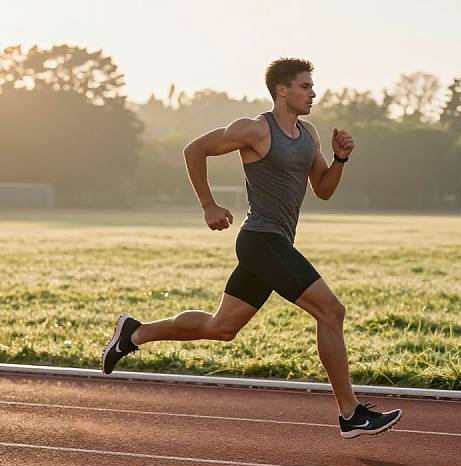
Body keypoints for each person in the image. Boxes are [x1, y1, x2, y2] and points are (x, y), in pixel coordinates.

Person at [101, 57, 401, 439]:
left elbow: (323, 189)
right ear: (282, 90)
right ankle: (350, 414)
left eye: (312, 86)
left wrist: (341, 158)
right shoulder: (255, 130)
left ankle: (135, 333)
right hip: (261, 240)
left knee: (221, 327)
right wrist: (208, 205)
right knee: (331, 311)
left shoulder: (309, 135)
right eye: (305, 86)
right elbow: (194, 149)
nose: (313, 93)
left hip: (274, 244)